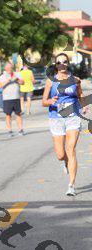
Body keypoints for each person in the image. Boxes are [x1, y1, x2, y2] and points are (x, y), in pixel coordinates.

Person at [42, 53, 86, 197]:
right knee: (61, 155)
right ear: (56, 65)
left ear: (68, 63)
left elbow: (80, 95)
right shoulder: (50, 81)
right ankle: (65, 162)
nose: (62, 64)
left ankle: (71, 185)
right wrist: (51, 101)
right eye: (59, 62)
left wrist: (84, 105)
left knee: (70, 149)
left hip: (73, 116)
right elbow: (44, 101)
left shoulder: (76, 80)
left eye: (65, 61)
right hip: (56, 118)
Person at [0, 62, 25, 137]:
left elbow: (23, 82)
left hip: (16, 97)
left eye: (10, 68)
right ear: (5, 69)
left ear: (12, 68)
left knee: (18, 114)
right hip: (7, 98)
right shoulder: (2, 76)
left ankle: (21, 129)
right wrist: (8, 80)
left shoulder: (17, 74)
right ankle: (9, 130)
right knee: (8, 115)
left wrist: (17, 80)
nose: (9, 69)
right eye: (7, 68)